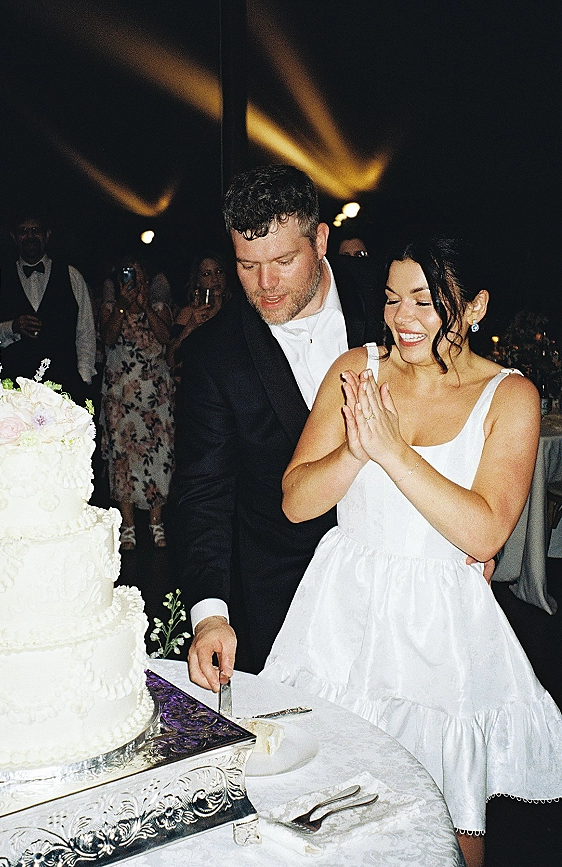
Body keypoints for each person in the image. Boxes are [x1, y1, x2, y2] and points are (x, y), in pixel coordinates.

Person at [262, 236, 562, 867]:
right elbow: (296, 500)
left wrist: (393, 450)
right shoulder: (355, 370)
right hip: (342, 617)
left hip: (440, 632)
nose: (403, 319)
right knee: (328, 813)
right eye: (394, 300)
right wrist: (353, 450)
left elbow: (484, 532)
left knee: (449, 829)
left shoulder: (510, 395)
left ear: (475, 306)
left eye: (426, 303)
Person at [172, 164, 381, 685]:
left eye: (284, 261)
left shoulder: (387, 302)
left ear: (321, 240)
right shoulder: (213, 356)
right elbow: (204, 494)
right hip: (283, 598)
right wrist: (210, 617)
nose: (264, 285)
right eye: (246, 265)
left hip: (397, 577)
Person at [100, 258, 175, 550]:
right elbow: (107, 338)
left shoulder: (158, 307)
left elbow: (166, 337)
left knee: (158, 456)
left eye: (138, 277)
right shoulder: (111, 308)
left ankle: (156, 522)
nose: (135, 283)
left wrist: (144, 306)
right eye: (128, 277)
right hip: (120, 397)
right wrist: (122, 303)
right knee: (122, 459)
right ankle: (128, 525)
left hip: (155, 397)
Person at [0, 214, 96, 403]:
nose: (30, 236)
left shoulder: (72, 275)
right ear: (14, 237)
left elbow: (85, 330)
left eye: (35, 230)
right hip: (15, 385)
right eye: (23, 231)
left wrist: (83, 377)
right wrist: (12, 327)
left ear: (47, 235)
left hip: (64, 381)